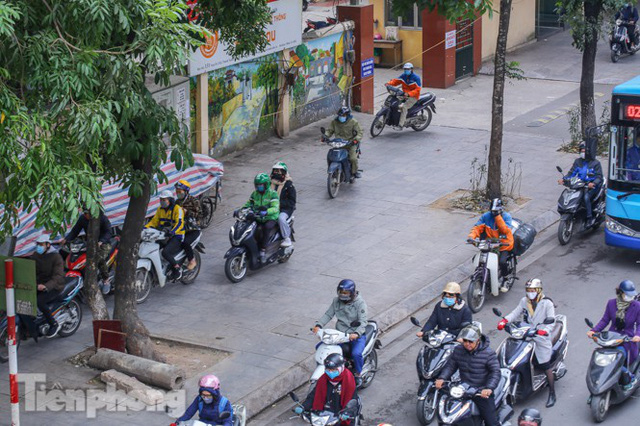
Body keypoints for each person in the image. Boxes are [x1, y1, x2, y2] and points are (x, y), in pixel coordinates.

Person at [498, 278, 557, 407]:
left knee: (545, 365)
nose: (530, 292)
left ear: (538, 290)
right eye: (528, 290)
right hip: (526, 333)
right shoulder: (525, 301)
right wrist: (504, 321)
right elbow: (516, 312)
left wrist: (544, 331)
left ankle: (552, 393)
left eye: (532, 290)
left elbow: (551, 321)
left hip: (541, 337)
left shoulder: (547, 303)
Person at [435, 325, 501, 426]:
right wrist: (442, 378)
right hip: (463, 389)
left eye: (471, 341)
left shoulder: (488, 354)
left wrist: (488, 388)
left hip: (480, 391)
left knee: (491, 422)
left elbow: (495, 372)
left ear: (478, 340)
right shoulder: (458, 350)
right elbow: (450, 366)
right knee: (447, 412)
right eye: (465, 341)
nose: (467, 344)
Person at [313, 279, 368, 386]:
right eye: (341, 292)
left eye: (346, 293)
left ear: (352, 293)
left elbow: (363, 322)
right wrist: (318, 325)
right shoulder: (336, 301)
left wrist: (356, 333)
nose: (343, 295)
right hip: (340, 335)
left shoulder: (360, 303)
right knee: (319, 347)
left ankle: (358, 373)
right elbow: (328, 314)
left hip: (356, 335)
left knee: (356, 353)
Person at [587, 280, 640, 390]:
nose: (630, 297)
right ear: (621, 293)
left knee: (617, 360)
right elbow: (605, 320)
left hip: (627, 340)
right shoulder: (611, 303)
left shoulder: (637, 306)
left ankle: (631, 377)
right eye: (628, 295)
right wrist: (594, 331)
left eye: (632, 295)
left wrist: (637, 335)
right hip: (611, 338)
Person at [60, 206, 113, 294]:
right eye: (84, 213)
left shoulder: (102, 218)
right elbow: (75, 231)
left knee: (99, 259)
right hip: (89, 243)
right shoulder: (82, 219)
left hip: (103, 244)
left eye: (86, 213)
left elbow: (108, 232)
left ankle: (106, 279)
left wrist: (101, 241)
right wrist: (66, 239)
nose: (85, 215)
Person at [296, 354, 358, 425]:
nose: (330, 372)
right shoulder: (323, 379)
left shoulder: (348, 380)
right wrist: (303, 406)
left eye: (334, 370)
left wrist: (347, 412)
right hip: (324, 415)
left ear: (341, 368)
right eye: (328, 370)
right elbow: (314, 395)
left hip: (341, 415)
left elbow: (353, 400)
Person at [468, 198, 514, 291]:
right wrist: (471, 237)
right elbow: (477, 227)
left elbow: (504, 230)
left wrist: (498, 217)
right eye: (492, 211)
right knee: (479, 260)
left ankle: (505, 279)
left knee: (502, 262)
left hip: (503, 244)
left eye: (496, 211)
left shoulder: (506, 217)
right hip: (490, 244)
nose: (493, 213)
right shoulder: (486, 216)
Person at [558, 141, 603, 228]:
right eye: (581, 151)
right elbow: (571, 173)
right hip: (579, 185)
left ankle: (589, 218)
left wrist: (593, 183)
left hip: (591, 186)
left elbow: (599, 177)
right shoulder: (577, 162)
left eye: (584, 151)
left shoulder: (595, 163)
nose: (582, 153)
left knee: (585, 198)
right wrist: (564, 180)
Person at [240, 173, 280, 263]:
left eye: (261, 185)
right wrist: (241, 209)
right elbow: (249, 204)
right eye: (257, 185)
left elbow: (275, 208)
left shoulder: (272, 194)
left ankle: (263, 251)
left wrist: (267, 212)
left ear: (266, 185)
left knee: (266, 228)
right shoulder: (255, 194)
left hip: (270, 217)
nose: (259, 187)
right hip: (258, 217)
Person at [145, 190, 185, 280]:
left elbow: (179, 223)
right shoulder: (160, 209)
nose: (162, 201)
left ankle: (177, 269)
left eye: (164, 200)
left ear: (170, 200)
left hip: (177, 235)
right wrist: (145, 228)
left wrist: (173, 232)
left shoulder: (177, 209)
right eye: (161, 199)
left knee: (165, 252)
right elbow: (154, 221)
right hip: (164, 235)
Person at [31, 234, 65, 338]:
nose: (39, 246)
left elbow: (58, 276)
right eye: (38, 244)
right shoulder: (36, 255)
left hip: (54, 286)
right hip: (39, 284)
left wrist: (46, 286)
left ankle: (53, 323)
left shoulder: (56, 257)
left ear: (48, 245)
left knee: (40, 301)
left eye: (41, 244)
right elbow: (32, 269)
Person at [324, 107, 363, 179]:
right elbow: (329, 130)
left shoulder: (353, 122)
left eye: (343, 116)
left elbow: (360, 132)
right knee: (330, 156)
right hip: (338, 143)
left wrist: (356, 139)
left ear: (347, 115)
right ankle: (332, 171)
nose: (341, 117)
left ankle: (354, 172)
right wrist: (325, 136)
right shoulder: (334, 122)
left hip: (350, 143)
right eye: (340, 115)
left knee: (353, 158)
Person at [174, 179, 201, 270]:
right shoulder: (177, 202)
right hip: (180, 228)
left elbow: (199, 214)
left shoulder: (194, 201)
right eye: (177, 191)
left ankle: (192, 260)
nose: (178, 193)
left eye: (180, 191)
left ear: (186, 192)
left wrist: (187, 212)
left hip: (192, 229)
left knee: (185, 242)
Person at [386, 62, 422, 128]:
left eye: (408, 69)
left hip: (413, 97)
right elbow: (396, 81)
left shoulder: (416, 78)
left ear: (411, 69)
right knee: (394, 102)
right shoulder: (403, 76)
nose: (406, 70)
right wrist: (388, 83)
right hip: (404, 94)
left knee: (404, 107)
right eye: (405, 69)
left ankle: (400, 125)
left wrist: (409, 94)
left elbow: (418, 90)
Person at [270, 162, 296, 248]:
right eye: (275, 171)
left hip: (285, 209)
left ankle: (286, 238)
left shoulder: (288, 185)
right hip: (271, 207)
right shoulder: (270, 183)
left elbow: (292, 202)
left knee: (281, 218)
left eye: (279, 171)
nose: (277, 173)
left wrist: (279, 204)